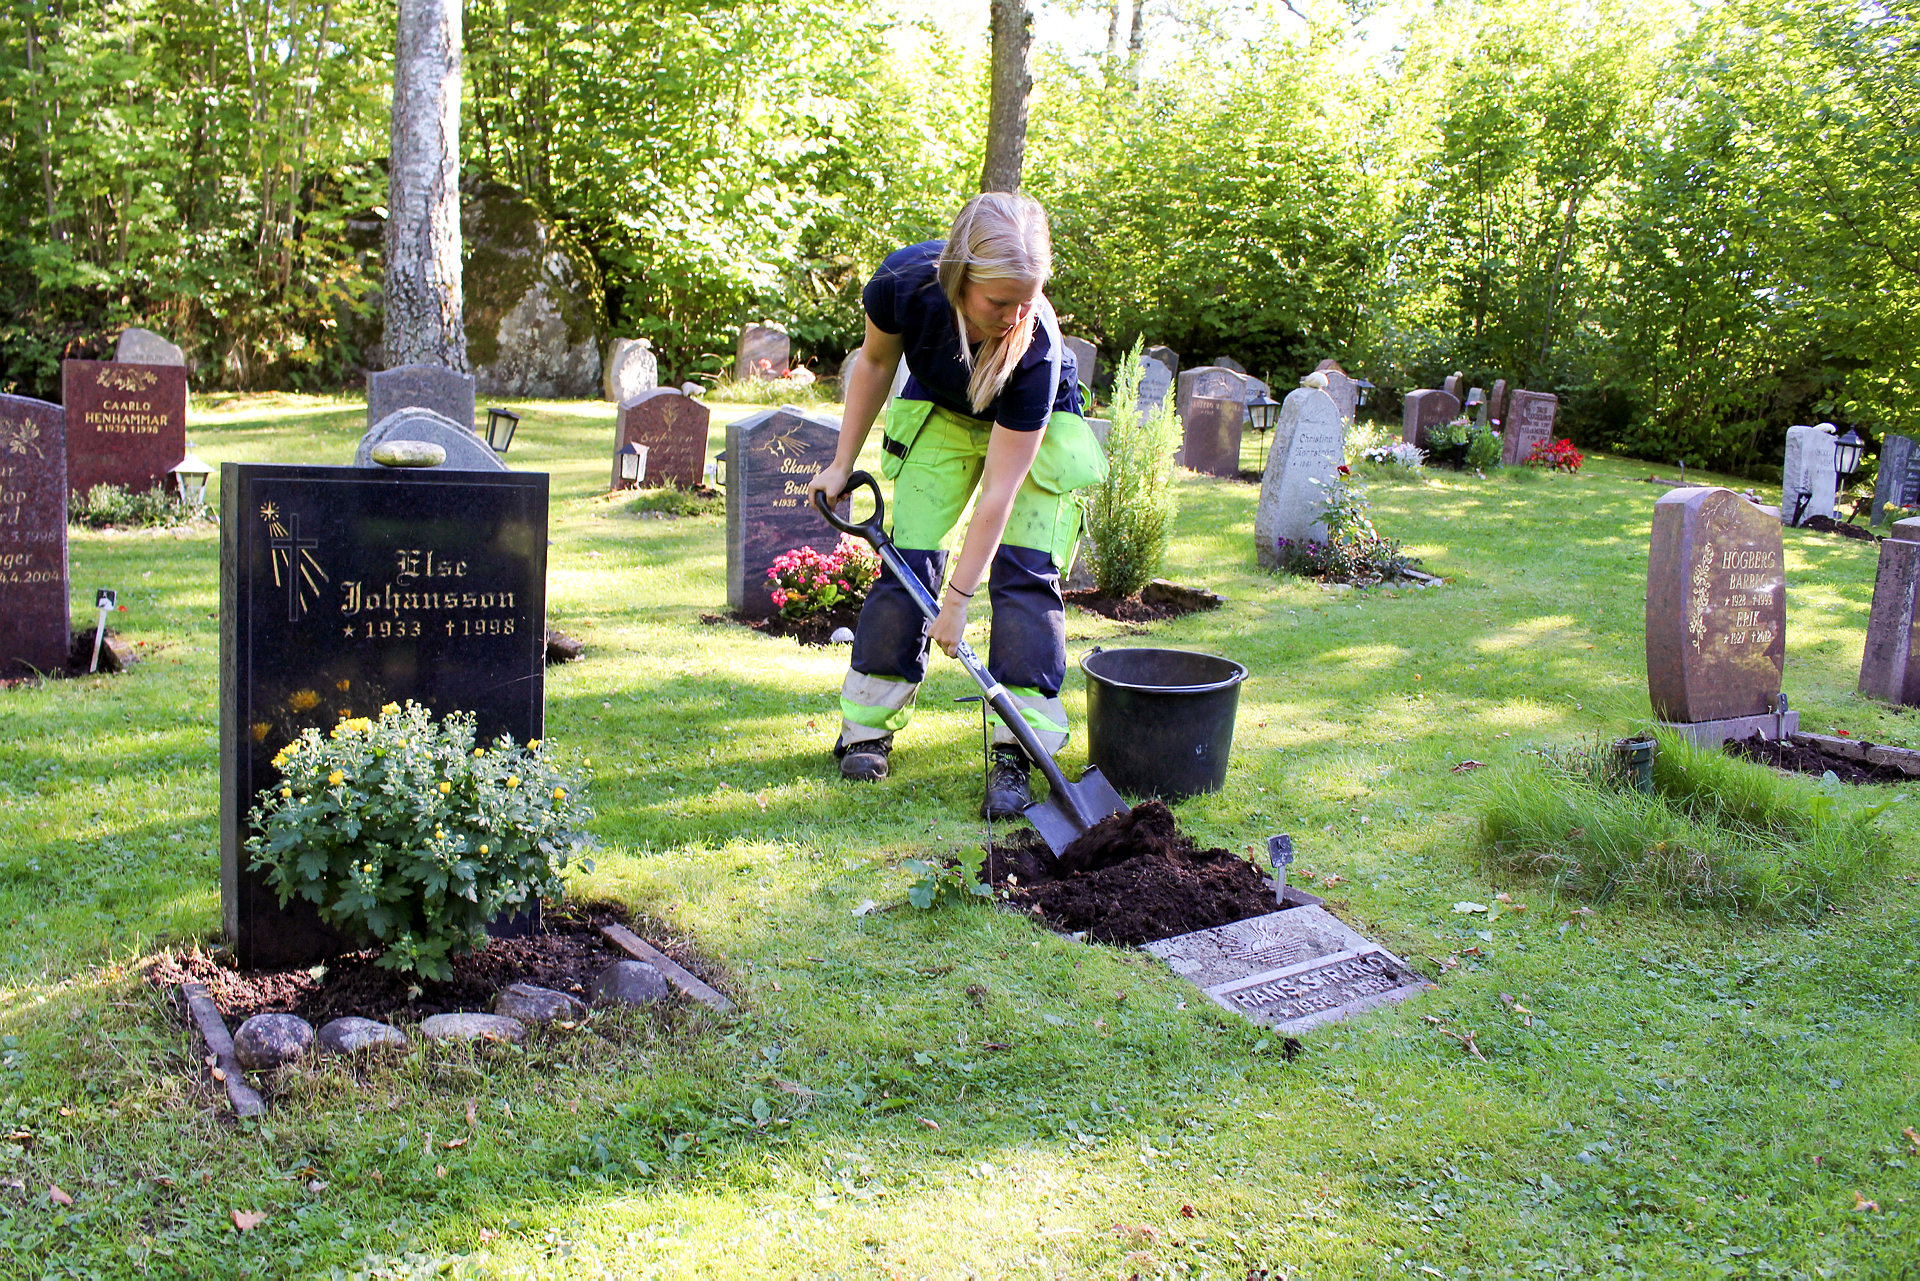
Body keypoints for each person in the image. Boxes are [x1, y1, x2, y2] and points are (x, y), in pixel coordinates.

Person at [806, 191, 1106, 818]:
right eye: (999, 301)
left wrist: (960, 601)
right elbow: (875, 364)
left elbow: (1000, 490)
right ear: (959, 278)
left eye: (1026, 300)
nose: (1013, 316)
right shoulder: (902, 284)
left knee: (1025, 574)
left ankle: (1016, 752)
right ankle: (866, 731)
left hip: (1034, 430)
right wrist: (841, 461)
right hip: (941, 411)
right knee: (906, 565)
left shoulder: (1036, 348)